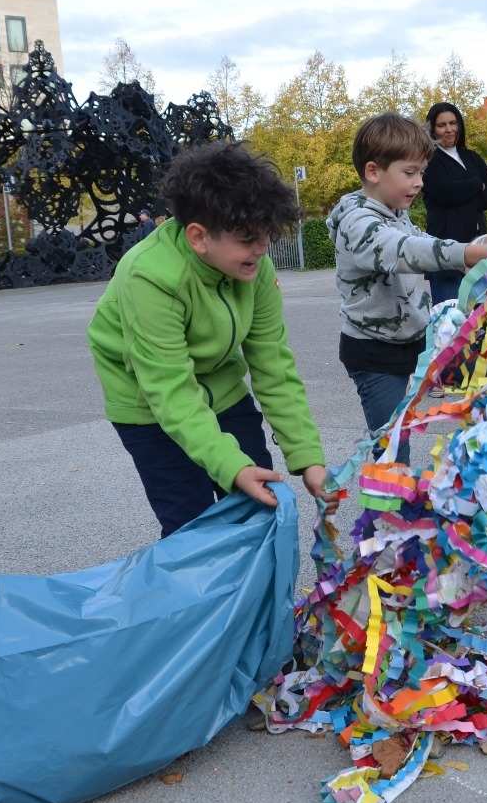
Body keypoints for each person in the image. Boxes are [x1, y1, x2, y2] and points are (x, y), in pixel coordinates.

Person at [88, 142, 334, 538]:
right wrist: (233, 468)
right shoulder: (149, 276)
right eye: (248, 238)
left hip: (222, 389)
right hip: (148, 405)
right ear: (199, 237)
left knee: (257, 512)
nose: (261, 249)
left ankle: (254, 581)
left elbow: (273, 366)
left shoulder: (255, 267)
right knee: (192, 527)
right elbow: (170, 391)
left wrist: (308, 458)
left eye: (267, 236)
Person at [327, 112, 487, 464]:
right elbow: (403, 250)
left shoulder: (395, 211)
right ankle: (389, 499)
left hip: (414, 339)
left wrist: (468, 256)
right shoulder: (357, 221)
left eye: (421, 172)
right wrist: (466, 252)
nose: (420, 182)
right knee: (393, 446)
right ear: (373, 171)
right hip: (374, 354)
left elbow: (420, 238)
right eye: (410, 173)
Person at [420, 102, 487, 305]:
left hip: (478, 251)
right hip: (446, 259)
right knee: (451, 315)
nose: (449, 129)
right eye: (442, 125)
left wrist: (464, 196)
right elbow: (443, 193)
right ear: (432, 129)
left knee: (482, 316)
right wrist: (476, 184)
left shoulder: (471, 157)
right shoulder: (428, 160)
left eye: (453, 123)